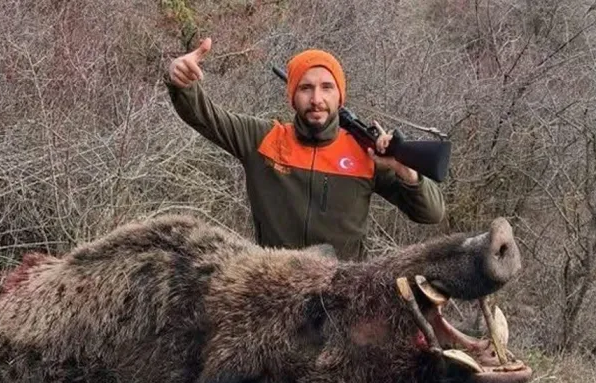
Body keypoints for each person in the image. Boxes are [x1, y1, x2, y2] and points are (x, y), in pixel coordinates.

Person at [165, 37, 445, 261]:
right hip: (274, 290)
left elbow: (431, 214)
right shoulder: (263, 139)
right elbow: (204, 116)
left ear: (340, 96)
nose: (317, 99)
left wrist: (405, 170)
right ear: (292, 97)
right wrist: (182, 84)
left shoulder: (367, 154)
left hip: (343, 297)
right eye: (306, 88)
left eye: (327, 87)